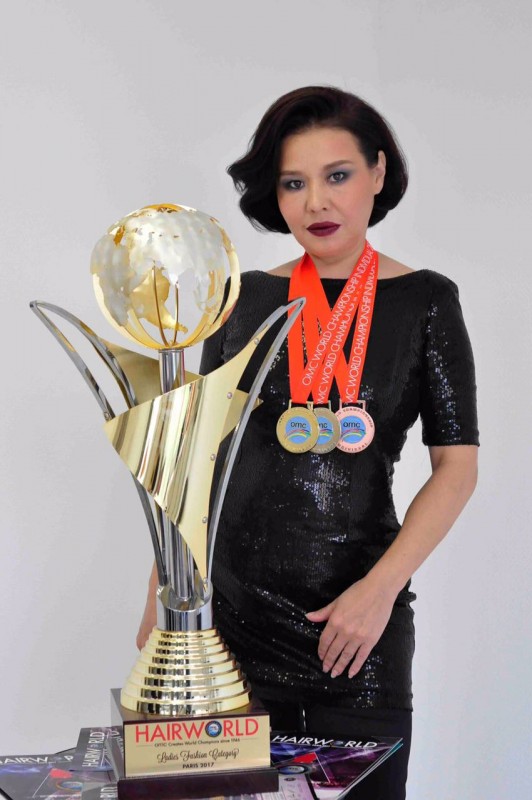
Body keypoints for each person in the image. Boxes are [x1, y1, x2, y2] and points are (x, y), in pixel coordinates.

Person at [137, 86, 479, 799]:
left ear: (378, 173)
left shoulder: (426, 301)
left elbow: (456, 467)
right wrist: (165, 599)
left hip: (356, 628)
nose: (315, 202)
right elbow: (196, 462)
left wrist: (379, 591)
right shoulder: (242, 298)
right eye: (293, 183)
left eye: (337, 175)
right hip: (229, 628)